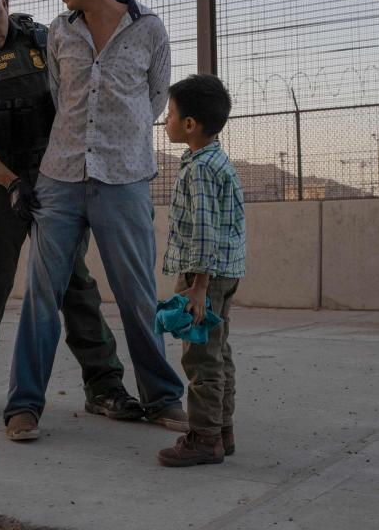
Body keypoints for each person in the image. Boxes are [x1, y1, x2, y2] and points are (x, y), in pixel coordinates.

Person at [0, 0, 141, 421]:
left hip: (52, 175)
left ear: (4, 2)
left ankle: (105, 387)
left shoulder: (41, 39)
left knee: (74, 284)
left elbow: (75, 102)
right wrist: (11, 184)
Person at [3, 0, 187, 442]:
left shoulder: (150, 29)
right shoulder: (60, 32)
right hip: (60, 177)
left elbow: (153, 100)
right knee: (42, 295)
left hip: (124, 179)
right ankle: (24, 405)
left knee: (137, 294)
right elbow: (60, 95)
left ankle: (162, 397)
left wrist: (116, 141)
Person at [154, 74, 246, 467]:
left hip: (203, 275)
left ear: (190, 124)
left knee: (200, 356)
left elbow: (205, 232)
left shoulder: (200, 170)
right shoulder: (215, 160)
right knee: (217, 350)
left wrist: (198, 286)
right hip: (224, 271)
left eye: (170, 114)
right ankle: (222, 431)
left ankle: (204, 439)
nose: (166, 121)